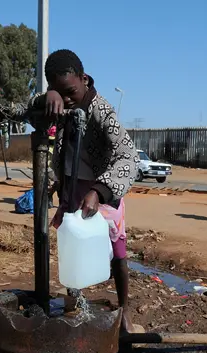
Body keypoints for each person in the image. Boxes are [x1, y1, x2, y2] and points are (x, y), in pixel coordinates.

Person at [29, 49, 139, 333]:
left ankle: (124, 307)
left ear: (84, 78)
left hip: (101, 188)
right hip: (71, 189)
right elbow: (30, 109)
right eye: (58, 92)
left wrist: (101, 191)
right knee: (73, 246)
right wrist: (46, 98)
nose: (66, 99)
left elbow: (129, 157)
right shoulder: (59, 104)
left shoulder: (101, 110)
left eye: (70, 92)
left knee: (117, 252)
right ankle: (75, 302)